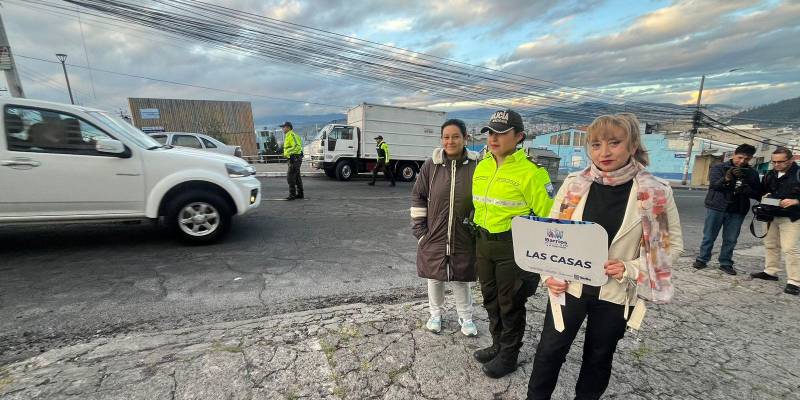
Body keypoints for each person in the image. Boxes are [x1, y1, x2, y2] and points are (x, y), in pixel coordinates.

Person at [527, 113, 683, 400]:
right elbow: (550, 237)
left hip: (616, 292)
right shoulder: (575, 185)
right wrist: (549, 275)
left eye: (614, 143)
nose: (604, 152)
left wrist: (630, 268)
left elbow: (669, 248)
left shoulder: (654, 192)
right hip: (569, 287)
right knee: (550, 351)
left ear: (632, 145)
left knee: (599, 357)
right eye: (596, 144)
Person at [472, 109, 554, 379]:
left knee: (510, 302)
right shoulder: (482, 166)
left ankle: (509, 355)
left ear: (519, 137)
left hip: (513, 247)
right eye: (491, 133)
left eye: (501, 133)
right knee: (490, 298)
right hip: (484, 243)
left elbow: (550, 217)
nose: (493, 139)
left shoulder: (532, 173)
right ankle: (497, 344)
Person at [411, 119, 479, 336]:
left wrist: (476, 232)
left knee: (461, 279)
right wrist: (421, 233)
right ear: (442, 139)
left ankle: (466, 317)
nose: (450, 141)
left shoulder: (477, 166)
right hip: (435, 235)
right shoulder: (431, 166)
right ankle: (435, 314)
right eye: (446, 137)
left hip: (463, 235)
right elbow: (418, 197)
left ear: (465, 138)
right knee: (435, 277)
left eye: (456, 136)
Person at [693, 144, 760, 275]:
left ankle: (725, 262)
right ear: (734, 154)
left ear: (751, 158)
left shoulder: (752, 173)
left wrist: (745, 186)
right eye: (739, 157)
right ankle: (702, 259)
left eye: (746, 159)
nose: (742, 161)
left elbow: (757, 193)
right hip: (717, 206)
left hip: (737, 209)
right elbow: (714, 186)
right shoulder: (719, 167)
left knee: (731, 238)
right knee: (709, 235)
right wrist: (727, 178)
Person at [750, 147, 800, 296]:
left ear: (791, 160)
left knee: (790, 248)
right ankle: (770, 272)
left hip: (790, 217)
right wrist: (764, 195)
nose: (777, 165)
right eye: (774, 162)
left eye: (781, 162)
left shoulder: (798, 174)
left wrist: (796, 201)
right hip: (770, 215)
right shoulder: (770, 174)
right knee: (770, 245)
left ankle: (794, 281)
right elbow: (760, 193)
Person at [281, 122, 303, 200]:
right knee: (297, 177)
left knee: (290, 177)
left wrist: (288, 152)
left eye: (284, 127)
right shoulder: (288, 136)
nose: (282, 128)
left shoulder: (292, 135)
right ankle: (300, 194)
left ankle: (292, 195)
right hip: (294, 158)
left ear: (288, 128)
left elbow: (297, 146)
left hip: (294, 158)